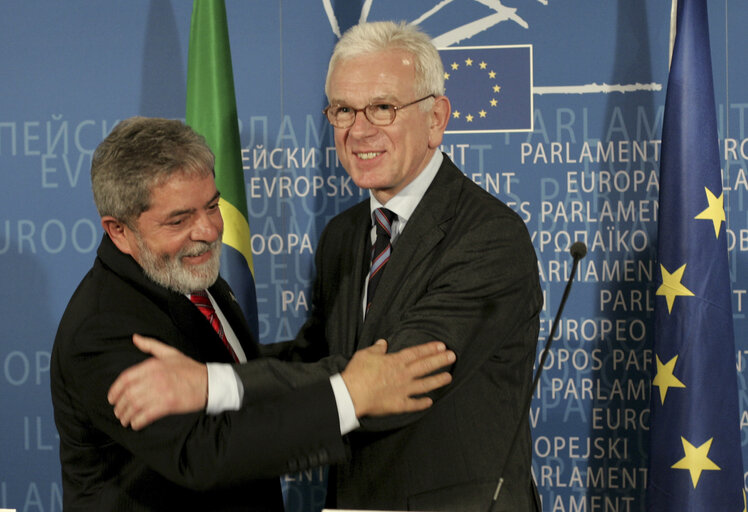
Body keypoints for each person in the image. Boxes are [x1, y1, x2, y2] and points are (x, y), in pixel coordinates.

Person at [110, 21, 543, 511]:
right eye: (342, 110)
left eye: (383, 107)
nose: (359, 131)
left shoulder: (489, 237)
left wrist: (210, 387)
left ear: (436, 117)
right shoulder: (345, 233)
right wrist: (199, 370)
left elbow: (390, 384)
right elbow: (319, 358)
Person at [50, 116, 455, 511]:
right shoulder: (102, 329)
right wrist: (350, 396)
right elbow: (204, 452)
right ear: (118, 230)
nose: (209, 230)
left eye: (211, 206)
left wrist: (352, 365)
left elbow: (242, 369)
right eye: (179, 220)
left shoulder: (181, 274)